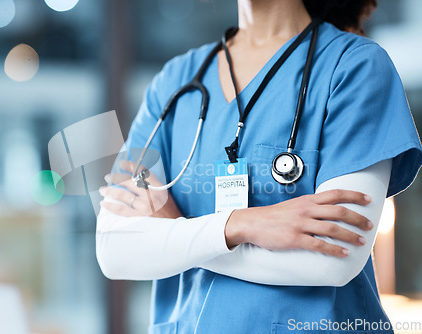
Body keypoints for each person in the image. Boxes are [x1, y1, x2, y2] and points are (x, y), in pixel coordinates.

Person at [96, 0, 422, 333]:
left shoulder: (355, 66)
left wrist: (175, 233)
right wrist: (241, 225)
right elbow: (115, 248)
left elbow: (334, 257)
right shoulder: (175, 81)